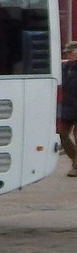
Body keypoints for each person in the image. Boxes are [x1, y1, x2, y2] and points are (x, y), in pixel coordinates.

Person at [59, 41, 77, 176]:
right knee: (62, 134)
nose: (67, 54)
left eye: (70, 52)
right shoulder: (64, 67)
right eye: (66, 53)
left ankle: (76, 167)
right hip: (66, 107)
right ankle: (75, 160)